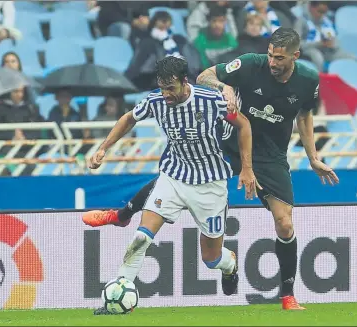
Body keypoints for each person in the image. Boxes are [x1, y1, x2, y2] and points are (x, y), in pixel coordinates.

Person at [84, 27, 340, 311]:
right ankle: (122, 221)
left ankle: (285, 294)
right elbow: (206, 76)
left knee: (281, 225)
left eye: (279, 58)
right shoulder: (249, 64)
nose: (272, 62)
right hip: (224, 150)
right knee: (158, 206)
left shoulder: (306, 81)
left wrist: (312, 157)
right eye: (270, 55)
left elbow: (303, 116)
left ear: (295, 56)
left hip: (267, 158)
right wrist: (225, 86)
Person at [83, 56, 259, 315]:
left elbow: (243, 124)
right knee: (141, 238)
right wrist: (103, 148)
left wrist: (246, 168)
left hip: (210, 184)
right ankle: (119, 294)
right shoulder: (155, 100)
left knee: (211, 259)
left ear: (184, 82)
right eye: (162, 87)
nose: (165, 94)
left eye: (171, 88)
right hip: (174, 177)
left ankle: (229, 264)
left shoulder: (210, 101)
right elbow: (128, 118)